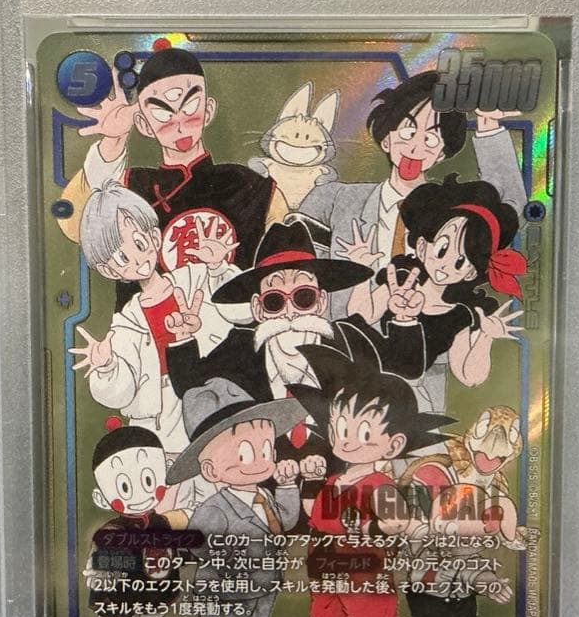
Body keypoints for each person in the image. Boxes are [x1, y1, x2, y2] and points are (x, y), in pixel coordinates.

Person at [165, 221, 433, 520]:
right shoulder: (241, 346)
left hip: (345, 498)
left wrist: (405, 319)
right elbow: (190, 387)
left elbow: (406, 368)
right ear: (258, 308)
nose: (290, 312)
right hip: (264, 504)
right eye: (275, 301)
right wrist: (182, 338)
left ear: (321, 301)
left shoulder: (347, 339)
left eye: (303, 297)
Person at [295, 70, 527, 407]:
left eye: (431, 138)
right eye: (407, 130)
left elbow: (509, 212)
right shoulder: (336, 200)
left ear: (443, 153)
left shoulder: (454, 215)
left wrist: (489, 127)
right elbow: (295, 261)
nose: (416, 146)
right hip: (342, 363)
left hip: (421, 378)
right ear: (386, 138)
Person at [56, 45, 289, 307]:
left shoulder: (249, 185)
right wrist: (113, 142)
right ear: (143, 124)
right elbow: (73, 222)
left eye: (190, 106)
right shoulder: (131, 186)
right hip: (148, 326)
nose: (179, 123)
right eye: (162, 112)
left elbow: (288, 256)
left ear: (208, 110)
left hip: (236, 324)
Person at [71, 180, 248, 512]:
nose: (136, 259)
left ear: (155, 238)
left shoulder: (195, 278)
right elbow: (121, 392)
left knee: (219, 479)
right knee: (169, 493)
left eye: (139, 243)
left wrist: (217, 269)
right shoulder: (126, 321)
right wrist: (107, 366)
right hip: (160, 414)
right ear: (109, 269)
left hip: (209, 393)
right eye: (120, 257)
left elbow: (240, 311)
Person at [289, 327, 454, 617]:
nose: (347, 441)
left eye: (363, 432)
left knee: (369, 602)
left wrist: (373, 528)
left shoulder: (379, 484)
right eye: (340, 429)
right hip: (324, 556)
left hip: (363, 560)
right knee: (325, 598)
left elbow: (396, 521)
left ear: (394, 444)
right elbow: (313, 513)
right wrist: (310, 482)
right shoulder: (333, 480)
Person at [165, 379, 304, 617]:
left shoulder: (265, 495)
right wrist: (229, 553)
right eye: (244, 455)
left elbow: (285, 522)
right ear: (210, 470)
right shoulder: (215, 507)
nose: (259, 462)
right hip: (228, 583)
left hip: (266, 576)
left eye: (266, 450)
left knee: (259, 610)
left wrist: (287, 487)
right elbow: (198, 544)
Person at [349, 175, 527, 392]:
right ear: (422, 246)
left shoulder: (459, 315)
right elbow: (360, 315)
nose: (445, 265)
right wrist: (360, 271)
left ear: (471, 272)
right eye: (442, 249)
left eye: (461, 262)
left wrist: (486, 337)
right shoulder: (403, 281)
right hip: (362, 376)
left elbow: (469, 377)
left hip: (406, 393)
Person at [86, 420, 187, 617]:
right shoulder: (113, 530)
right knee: (118, 604)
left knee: (158, 594)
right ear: (101, 498)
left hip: (157, 576)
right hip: (124, 581)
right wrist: (101, 570)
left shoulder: (161, 522)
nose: (140, 494)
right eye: (124, 487)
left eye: (149, 480)